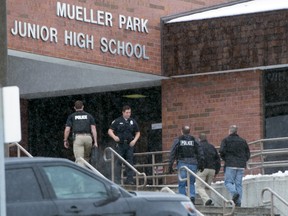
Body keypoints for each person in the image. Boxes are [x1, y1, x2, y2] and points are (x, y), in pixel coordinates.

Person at [168, 125, 204, 204]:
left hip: (182, 163)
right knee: (191, 182)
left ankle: (183, 199)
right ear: (189, 131)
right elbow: (200, 152)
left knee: (182, 183)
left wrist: (170, 165)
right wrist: (201, 164)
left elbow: (173, 152)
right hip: (193, 163)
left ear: (182, 131)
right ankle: (192, 196)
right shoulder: (194, 140)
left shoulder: (178, 140)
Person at [108, 105, 140, 185]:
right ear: (123, 112)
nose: (128, 114)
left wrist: (134, 141)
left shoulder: (132, 121)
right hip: (120, 145)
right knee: (118, 162)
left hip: (129, 145)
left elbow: (138, 132)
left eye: (129, 112)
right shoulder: (118, 121)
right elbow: (110, 130)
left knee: (130, 162)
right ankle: (117, 180)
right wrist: (114, 137)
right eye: (127, 112)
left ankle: (130, 180)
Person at [219, 125, 250, 207]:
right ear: (237, 132)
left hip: (230, 164)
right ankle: (238, 202)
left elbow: (221, 151)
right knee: (238, 184)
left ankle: (235, 193)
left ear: (229, 131)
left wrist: (226, 159)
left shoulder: (226, 140)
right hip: (240, 165)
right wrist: (243, 160)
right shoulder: (243, 141)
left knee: (228, 182)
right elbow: (248, 153)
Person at [63, 100, 98, 167]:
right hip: (88, 137)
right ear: (83, 107)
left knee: (79, 159)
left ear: (74, 108)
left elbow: (67, 130)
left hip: (78, 138)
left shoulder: (72, 116)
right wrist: (95, 142)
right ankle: (86, 172)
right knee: (86, 158)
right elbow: (93, 129)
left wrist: (65, 140)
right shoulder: (89, 116)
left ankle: (80, 175)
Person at [195, 133, 221, 206]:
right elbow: (218, 159)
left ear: (199, 139)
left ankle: (207, 200)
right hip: (212, 169)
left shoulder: (198, 147)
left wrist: (199, 167)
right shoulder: (212, 147)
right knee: (208, 187)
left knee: (199, 186)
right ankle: (208, 203)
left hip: (203, 169)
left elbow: (198, 158)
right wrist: (217, 171)